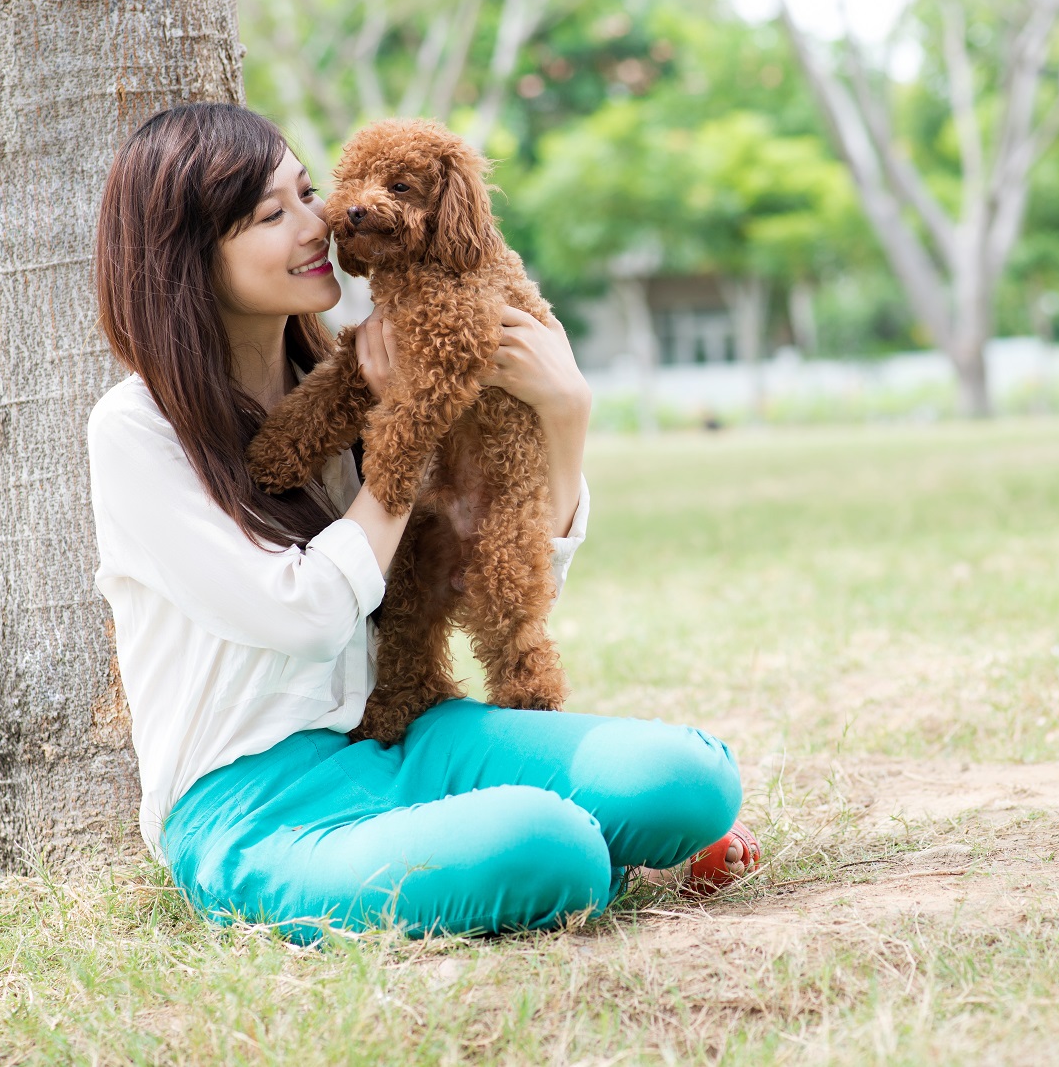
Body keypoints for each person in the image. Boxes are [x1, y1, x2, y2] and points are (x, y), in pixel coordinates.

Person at [88, 102, 751, 942]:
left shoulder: (348, 364)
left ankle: (579, 840)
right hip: (255, 803)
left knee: (690, 780)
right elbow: (306, 613)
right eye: (270, 214)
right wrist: (412, 418)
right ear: (187, 260)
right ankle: (567, 850)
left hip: (408, 733)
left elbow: (491, 563)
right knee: (549, 847)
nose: (321, 222)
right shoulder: (138, 430)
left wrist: (566, 411)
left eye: (308, 191)